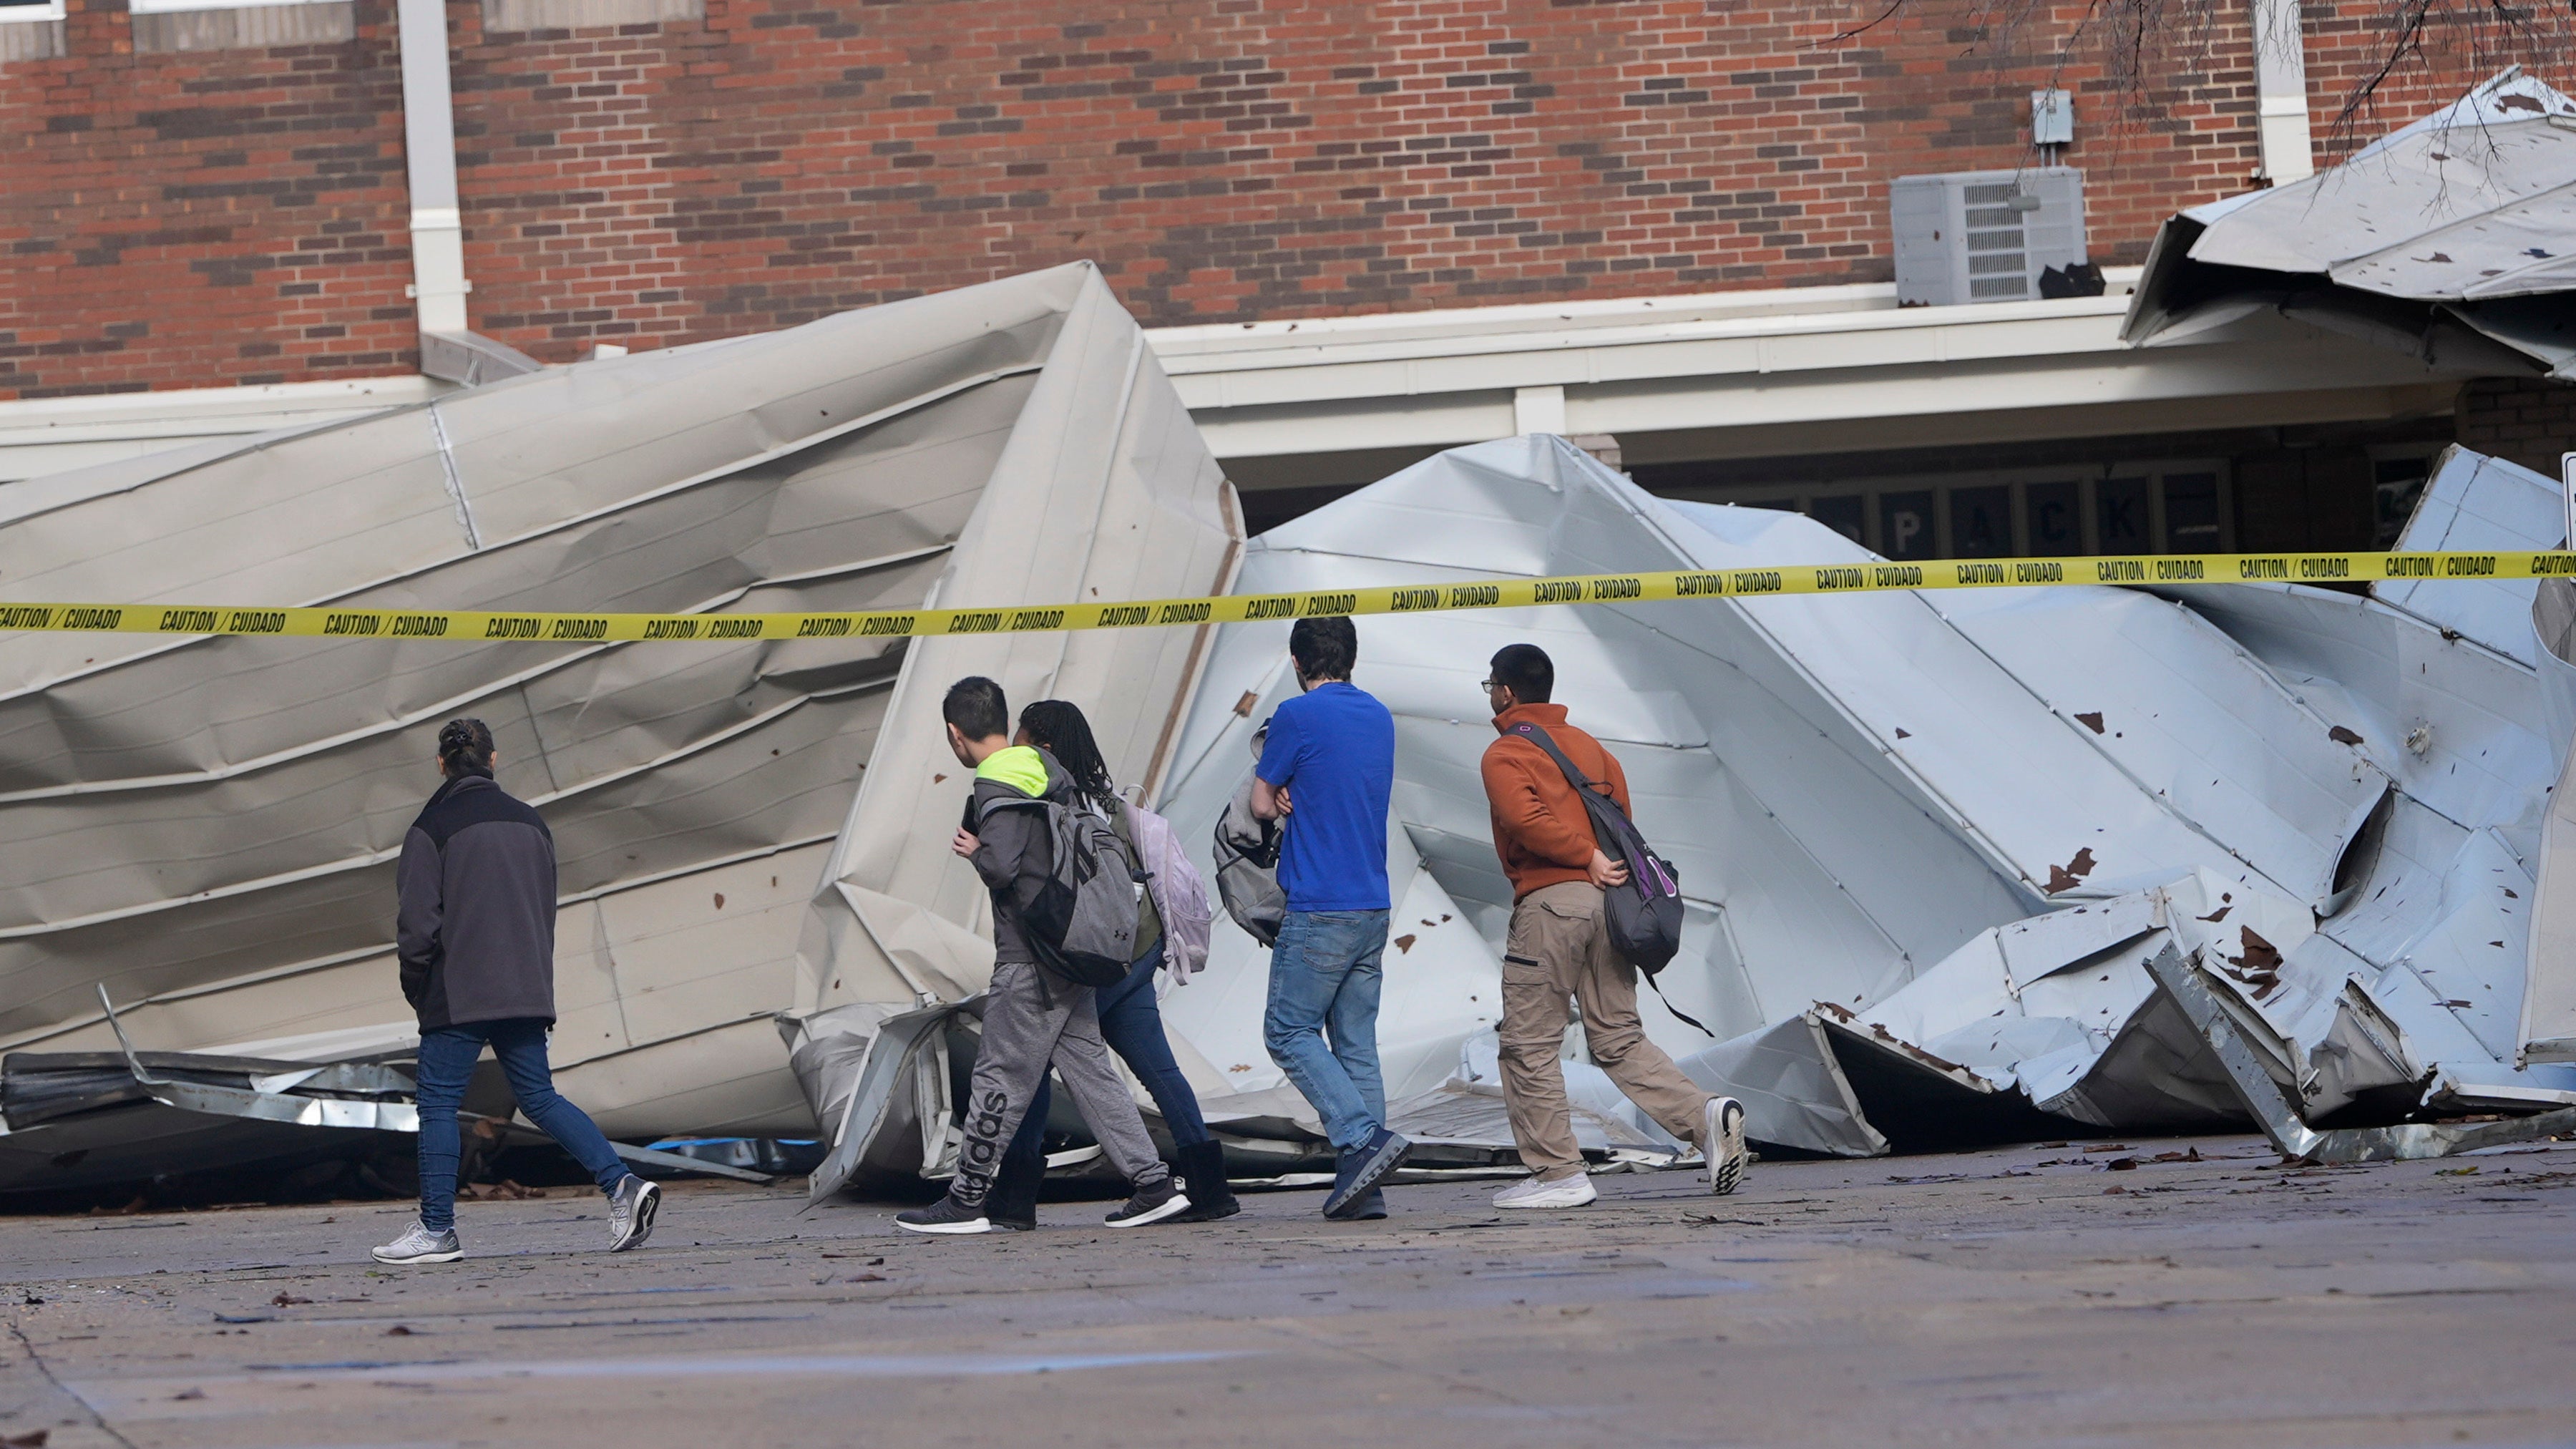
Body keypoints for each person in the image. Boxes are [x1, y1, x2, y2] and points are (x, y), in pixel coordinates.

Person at [895, 677, 1193, 1235]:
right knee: (1093, 1076)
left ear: (957, 735)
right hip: (1068, 951)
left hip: (1028, 955)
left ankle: (965, 1200)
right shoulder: (1049, 772)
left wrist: (977, 852)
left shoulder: (994, 778)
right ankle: (1154, 1184)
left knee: (998, 1071)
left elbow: (1005, 867)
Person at [375, 718, 660, 1265]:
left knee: (437, 1102)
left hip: (458, 992)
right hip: (525, 988)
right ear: (493, 759)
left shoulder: (430, 827)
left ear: (441, 763)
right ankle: (621, 1185)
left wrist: (420, 989)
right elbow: (543, 909)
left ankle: (437, 1230)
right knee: (539, 1097)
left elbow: (416, 928)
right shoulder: (533, 824)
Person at [1476, 644, 1749, 1209]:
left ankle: (1558, 1174)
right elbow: (1622, 820)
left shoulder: (1505, 753)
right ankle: (1702, 1117)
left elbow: (1525, 820)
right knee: (1618, 1037)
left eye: (1491, 688)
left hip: (1552, 905)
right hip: (1611, 908)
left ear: (1505, 692)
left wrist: (1581, 855)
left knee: (1529, 1042)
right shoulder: (1596, 752)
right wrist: (1598, 861)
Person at [980, 700, 1236, 1229]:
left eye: (1024, 740)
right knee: (1158, 1068)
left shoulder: (1057, 801)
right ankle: (1210, 1190)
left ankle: (1013, 1200)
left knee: (1032, 1061)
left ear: (1043, 746)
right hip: (1137, 947)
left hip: (1091, 960)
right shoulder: (1106, 802)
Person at [1253, 616, 1409, 1220]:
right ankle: (1364, 1188)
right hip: (1373, 900)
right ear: (1351, 657)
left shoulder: (1296, 715)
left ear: (1297, 662)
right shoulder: (1379, 715)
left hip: (1321, 904)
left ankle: (1361, 1138)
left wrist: (1284, 794)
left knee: (1287, 1031)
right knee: (1356, 1044)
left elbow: (1261, 801)